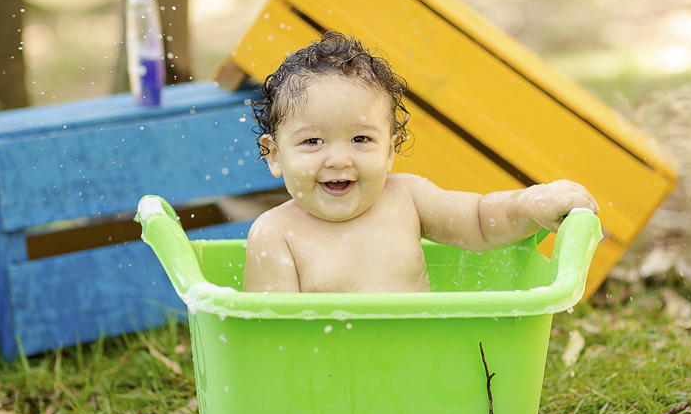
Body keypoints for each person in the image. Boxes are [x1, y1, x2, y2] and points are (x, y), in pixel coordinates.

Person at [243, 32, 599, 293]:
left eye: (361, 139)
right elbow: (270, 337)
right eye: (312, 141)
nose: (338, 159)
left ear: (389, 151)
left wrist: (530, 203)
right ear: (274, 154)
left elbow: (479, 221)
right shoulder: (276, 234)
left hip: (418, 377)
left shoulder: (407, 199)